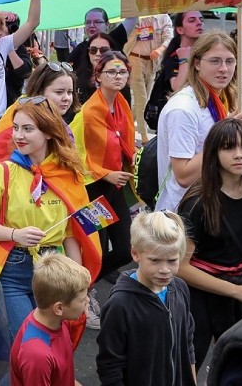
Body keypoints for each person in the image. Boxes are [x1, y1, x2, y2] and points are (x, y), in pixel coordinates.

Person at [0, 98, 95, 340]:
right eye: (16, 127)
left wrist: (79, 283)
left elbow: (72, 233)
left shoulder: (69, 174)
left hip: (55, 269)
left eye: (28, 129)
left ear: (48, 132)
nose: (19, 135)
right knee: (29, 343)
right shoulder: (3, 171)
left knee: (55, 345)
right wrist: (15, 234)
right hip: (14, 271)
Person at [176, 118, 242, 369]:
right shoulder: (197, 203)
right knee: (190, 364)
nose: (239, 155)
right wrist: (236, 290)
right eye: (228, 148)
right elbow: (180, 266)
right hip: (200, 295)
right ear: (214, 152)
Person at [71, 51, 136, 328]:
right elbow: (77, 152)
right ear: (98, 77)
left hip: (116, 187)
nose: (118, 77)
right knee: (94, 250)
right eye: (111, 72)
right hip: (93, 188)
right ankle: (83, 295)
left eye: (122, 72)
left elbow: (123, 142)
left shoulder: (122, 104)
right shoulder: (89, 111)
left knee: (125, 249)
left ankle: (85, 284)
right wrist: (105, 173)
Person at [96, 211, 196, 386]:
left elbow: (188, 344)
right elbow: (110, 367)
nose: (165, 269)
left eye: (172, 261)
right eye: (155, 261)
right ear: (135, 254)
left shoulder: (180, 288)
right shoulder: (120, 304)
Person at [156, 30, 242, 212]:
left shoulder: (222, 100)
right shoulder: (183, 109)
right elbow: (183, 176)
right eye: (214, 61)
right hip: (183, 216)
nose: (224, 69)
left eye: (230, 61)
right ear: (196, 63)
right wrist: (223, 135)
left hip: (212, 206)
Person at [10, 254, 91, 386]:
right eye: (82, 299)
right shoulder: (37, 355)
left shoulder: (54, 319)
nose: (87, 301)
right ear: (59, 308)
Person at [145, 11, 204, 129]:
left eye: (201, 20)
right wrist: (184, 60)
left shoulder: (204, 54)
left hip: (199, 114)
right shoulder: (174, 58)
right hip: (177, 121)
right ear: (180, 30)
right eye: (192, 20)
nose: (199, 23)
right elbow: (177, 87)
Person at [124, 14, 173, 144]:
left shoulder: (163, 18)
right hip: (135, 60)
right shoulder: (136, 16)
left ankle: (126, 126)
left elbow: (169, 38)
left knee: (143, 100)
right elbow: (125, 34)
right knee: (142, 99)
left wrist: (160, 50)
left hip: (152, 63)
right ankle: (144, 137)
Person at [68, 7, 137, 87]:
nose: (92, 25)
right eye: (88, 22)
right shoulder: (79, 50)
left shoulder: (115, 39)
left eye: (97, 22)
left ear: (107, 24)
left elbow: (134, 14)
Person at [75, 31, 131, 105]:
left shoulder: (120, 78)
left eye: (104, 50)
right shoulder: (77, 78)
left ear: (112, 51)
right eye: (93, 50)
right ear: (88, 52)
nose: (98, 54)